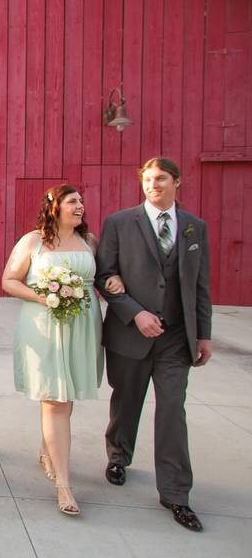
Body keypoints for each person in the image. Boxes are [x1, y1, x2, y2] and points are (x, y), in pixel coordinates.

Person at [95, 157, 212, 532]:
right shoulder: (119, 222)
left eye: (160, 179)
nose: (153, 185)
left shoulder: (195, 227)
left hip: (177, 335)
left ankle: (176, 493)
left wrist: (203, 333)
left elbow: (200, 286)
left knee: (173, 409)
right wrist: (135, 313)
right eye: (147, 180)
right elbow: (104, 274)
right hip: (131, 331)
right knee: (126, 400)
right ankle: (118, 455)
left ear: (177, 182)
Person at [2, 184, 113, 516]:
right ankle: (64, 485)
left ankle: (48, 448)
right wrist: (45, 296)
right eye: (72, 201)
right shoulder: (33, 241)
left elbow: (104, 279)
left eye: (81, 200)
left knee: (68, 394)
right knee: (55, 399)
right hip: (45, 326)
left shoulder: (90, 242)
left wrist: (114, 284)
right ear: (54, 206)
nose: (80, 205)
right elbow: (9, 280)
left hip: (82, 326)